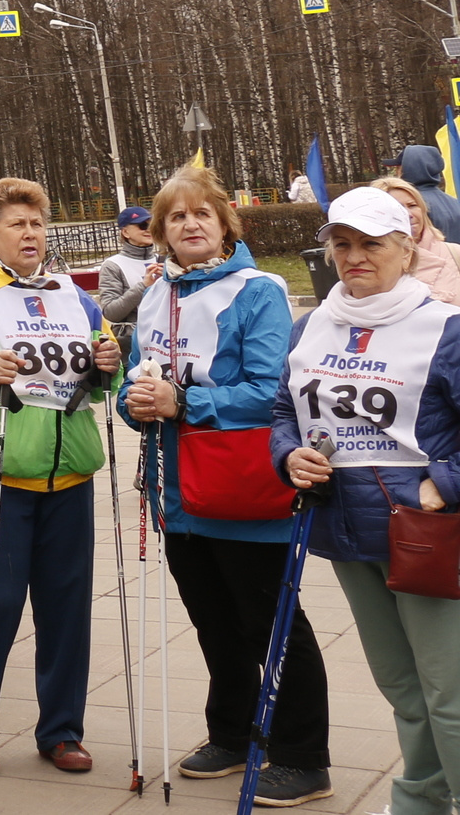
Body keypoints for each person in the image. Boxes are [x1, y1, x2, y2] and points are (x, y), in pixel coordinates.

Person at [119, 168, 329, 807]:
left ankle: (302, 755)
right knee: (214, 621)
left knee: (272, 621)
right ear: (160, 232)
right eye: (176, 217)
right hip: (175, 491)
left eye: (202, 214)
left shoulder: (258, 289)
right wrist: (139, 401)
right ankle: (233, 732)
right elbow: (140, 390)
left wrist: (183, 403)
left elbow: (270, 391)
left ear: (225, 223)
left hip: (240, 485)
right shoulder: (156, 295)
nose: (189, 225)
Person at [0, 177, 122, 778]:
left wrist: (111, 363)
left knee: (66, 605)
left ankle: (61, 730)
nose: (30, 233)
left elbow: (105, 363)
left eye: (37, 223)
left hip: (69, 473)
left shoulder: (73, 293)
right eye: (16, 224)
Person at [275, 187, 460, 815]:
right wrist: (288, 455)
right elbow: (284, 412)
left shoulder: (444, 327)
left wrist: (446, 483)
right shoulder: (311, 326)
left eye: (371, 245)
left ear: (406, 250)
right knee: (403, 687)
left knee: (450, 692)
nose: (354, 257)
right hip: (344, 529)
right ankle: (421, 800)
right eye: (342, 243)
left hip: (424, 533)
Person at [373, 177, 460, 305]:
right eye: (398, 208)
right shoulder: (370, 264)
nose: (408, 214)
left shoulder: (454, 253)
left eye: (413, 205)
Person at [96, 206, 161, 325]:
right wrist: (143, 286)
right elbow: (110, 313)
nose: (148, 230)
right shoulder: (113, 265)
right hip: (135, 336)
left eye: (152, 225)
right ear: (125, 232)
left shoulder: (164, 260)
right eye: (143, 225)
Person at [398, 145, 460, 242]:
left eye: (398, 168)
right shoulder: (455, 202)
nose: (396, 172)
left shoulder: (413, 204)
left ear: (407, 169)